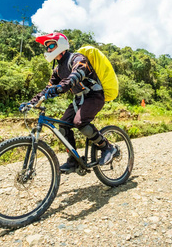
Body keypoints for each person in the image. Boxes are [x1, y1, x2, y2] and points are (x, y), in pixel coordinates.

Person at [19, 32, 117, 173]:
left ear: (61, 45)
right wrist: (31, 102)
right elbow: (48, 88)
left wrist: (60, 87)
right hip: (79, 98)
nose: (48, 49)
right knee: (63, 126)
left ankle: (107, 147)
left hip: (94, 95)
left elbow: (77, 74)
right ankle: (73, 161)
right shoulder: (57, 70)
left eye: (51, 45)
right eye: (47, 47)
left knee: (79, 122)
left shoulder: (77, 58)